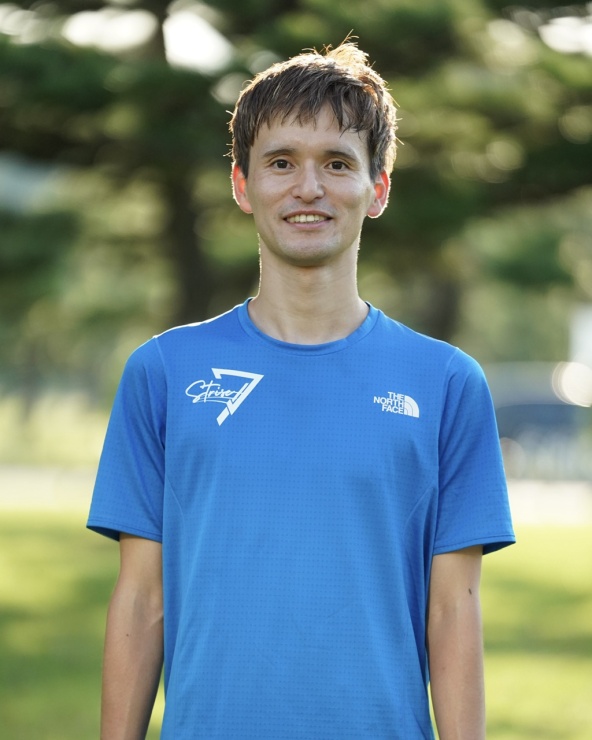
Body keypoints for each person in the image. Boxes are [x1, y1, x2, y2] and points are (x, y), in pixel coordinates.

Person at [88, 40, 515, 740]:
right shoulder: (163, 372)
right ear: (242, 185)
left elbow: (452, 610)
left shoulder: (445, 383)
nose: (308, 188)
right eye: (281, 162)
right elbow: (142, 599)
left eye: (337, 163)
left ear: (378, 189)